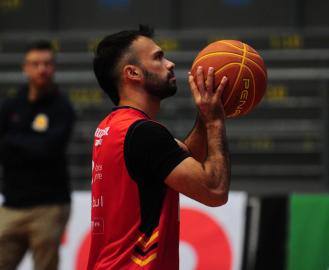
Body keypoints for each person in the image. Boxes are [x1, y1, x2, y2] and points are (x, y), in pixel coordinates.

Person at [88, 25, 230, 269]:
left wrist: (205, 115)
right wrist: (215, 123)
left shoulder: (113, 127)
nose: (170, 63)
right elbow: (214, 190)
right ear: (132, 73)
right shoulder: (144, 134)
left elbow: (181, 158)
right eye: (158, 57)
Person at [0, 40, 75, 270]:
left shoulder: (62, 108)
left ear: (53, 68)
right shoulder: (11, 105)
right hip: (12, 204)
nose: (42, 69)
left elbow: (48, 149)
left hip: (49, 205)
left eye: (47, 63)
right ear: (25, 67)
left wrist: (14, 141)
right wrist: (30, 143)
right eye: (35, 64)